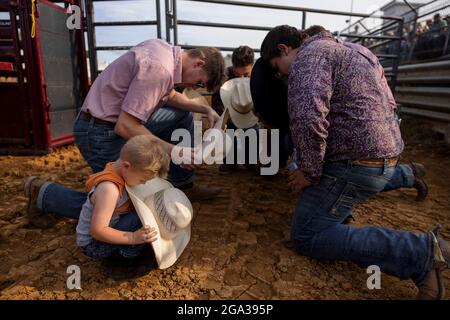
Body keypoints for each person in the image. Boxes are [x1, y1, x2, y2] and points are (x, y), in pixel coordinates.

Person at [260, 25, 449, 299]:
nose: (281, 75)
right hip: (385, 155)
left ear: (283, 49)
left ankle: (419, 252)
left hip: (356, 161)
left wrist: (309, 172)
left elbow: (308, 118)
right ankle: (406, 182)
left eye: (278, 67)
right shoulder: (353, 51)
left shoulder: (309, 58)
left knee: (308, 235)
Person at [23, 39, 226, 229]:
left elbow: (169, 94)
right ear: (198, 63)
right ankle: (44, 194)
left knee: (182, 114)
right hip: (100, 133)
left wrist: (204, 109)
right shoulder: (160, 70)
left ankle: (183, 184)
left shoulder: (164, 50)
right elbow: (126, 126)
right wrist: (174, 151)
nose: (194, 88)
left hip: (112, 122)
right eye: (199, 83)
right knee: (128, 205)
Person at [76, 135, 168, 261]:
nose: (143, 183)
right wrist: (133, 237)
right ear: (126, 166)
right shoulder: (109, 190)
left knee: (143, 213)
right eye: (142, 180)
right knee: (140, 218)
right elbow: (97, 231)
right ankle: (125, 259)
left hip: (113, 227)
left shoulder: (120, 169)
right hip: (94, 245)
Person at [211, 45, 259, 173]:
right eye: (238, 74)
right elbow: (216, 99)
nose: (241, 79)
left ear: (252, 65)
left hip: (252, 116)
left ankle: (251, 160)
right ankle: (230, 160)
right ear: (233, 65)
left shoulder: (259, 76)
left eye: (246, 74)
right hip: (231, 116)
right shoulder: (225, 75)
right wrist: (226, 117)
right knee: (229, 132)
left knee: (253, 135)